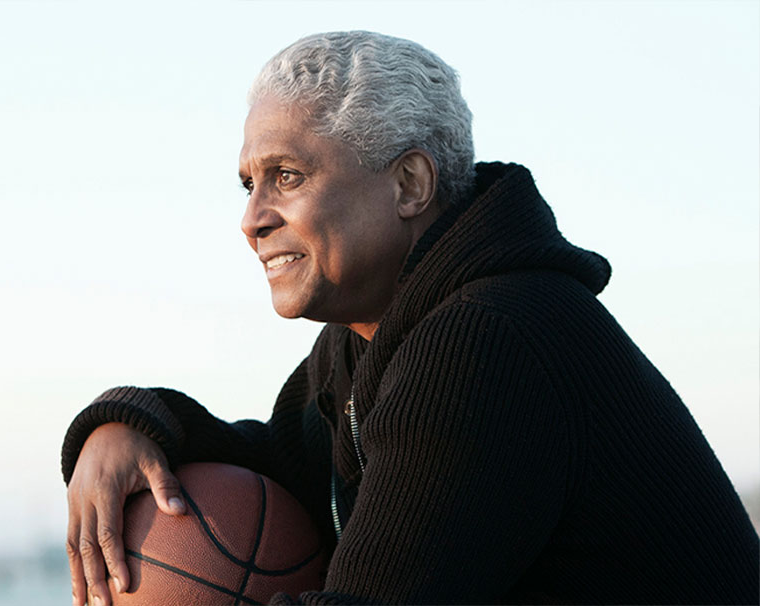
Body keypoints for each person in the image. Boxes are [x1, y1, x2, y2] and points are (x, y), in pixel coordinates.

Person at [61, 31, 759, 605]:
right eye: (249, 183)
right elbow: (281, 465)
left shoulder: (489, 340)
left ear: (409, 185)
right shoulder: (367, 339)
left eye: (289, 176)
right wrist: (126, 424)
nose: (252, 219)